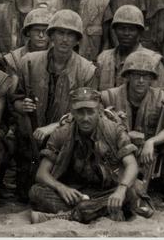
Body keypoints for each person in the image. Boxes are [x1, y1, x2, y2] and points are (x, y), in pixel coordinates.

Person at [28, 87, 152, 224]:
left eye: (90, 112)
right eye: (80, 112)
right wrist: (61, 188)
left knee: (132, 191)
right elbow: (41, 173)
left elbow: (132, 165)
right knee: (36, 192)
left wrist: (121, 190)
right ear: (73, 112)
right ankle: (98, 212)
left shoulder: (114, 130)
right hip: (76, 192)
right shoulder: (62, 133)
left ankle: (71, 215)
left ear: (99, 110)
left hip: (108, 190)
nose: (85, 118)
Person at [12, 9, 98, 200]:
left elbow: (88, 112)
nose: (65, 40)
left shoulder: (86, 70)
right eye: (60, 33)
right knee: (25, 194)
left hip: (67, 138)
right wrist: (21, 105)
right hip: (32, 137)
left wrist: (54, 126)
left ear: (77, 40)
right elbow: (14, 98)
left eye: (70, 35)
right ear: (51, 35)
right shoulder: (29, 62)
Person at [101, 51, 164, 191]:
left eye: (146, 76)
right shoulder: (109, 96)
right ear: (128, 76)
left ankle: (160, 189)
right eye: (136, 75)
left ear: (151, 78)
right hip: (118, 150)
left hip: (148, 152)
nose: (141, 81)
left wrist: (151, 142)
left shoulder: (160, 97)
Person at [97, 5, 164, 91]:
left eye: (132, 29)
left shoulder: (153, 61)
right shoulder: (103, 59)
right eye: (122, 28)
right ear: (115, 30)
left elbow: (159, 99)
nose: (126, 33)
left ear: (139, 32)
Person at [1, 8, 52, 76]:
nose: (41, 35)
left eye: (45, 31)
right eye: (36, 30)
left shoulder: (59, 55)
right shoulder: (14, 59)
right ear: (28, 32)